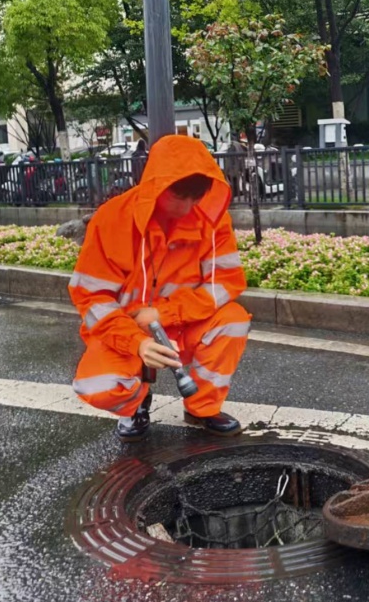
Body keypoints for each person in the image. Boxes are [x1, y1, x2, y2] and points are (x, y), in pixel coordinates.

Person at [68, 134, 251, 441]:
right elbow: (92, 297)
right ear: (156, 185)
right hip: (128, 328)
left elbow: (226, 282)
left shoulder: (212, 221)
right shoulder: (112, 219)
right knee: (98, 384)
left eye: (196, 197)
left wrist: (164, 313)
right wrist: (135, 343)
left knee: (232, 321)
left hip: (185, 322)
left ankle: (202, 408)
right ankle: (137, 404)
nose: (189, 206)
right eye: (180, 196)